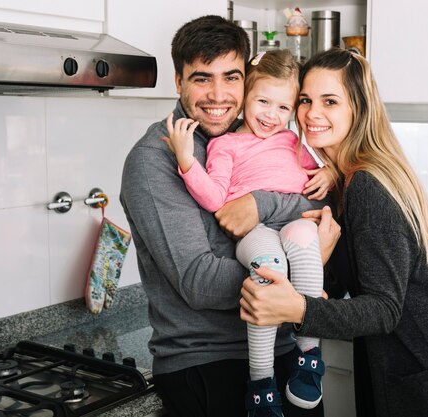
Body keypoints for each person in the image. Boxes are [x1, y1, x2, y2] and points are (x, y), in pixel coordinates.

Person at [239, 48, 428, 417]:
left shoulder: (367, 184)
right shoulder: (347, 179)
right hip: (418, 374)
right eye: (305, 100)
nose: (312, 113)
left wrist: (299, 308)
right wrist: (320, 258)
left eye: (330, 101)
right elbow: (354, 281)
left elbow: (383, 310)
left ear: (358, 108)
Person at [120, 15, 325, 417]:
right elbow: (199, 282)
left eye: (231, 77)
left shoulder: (255, 138)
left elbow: (314, 205)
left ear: (247, 81)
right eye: (201, 78)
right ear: (178, 81)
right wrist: (301, 270)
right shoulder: (153, 162)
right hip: (207, 366)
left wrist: (261, 205)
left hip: (284, 349)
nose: (218, 94)